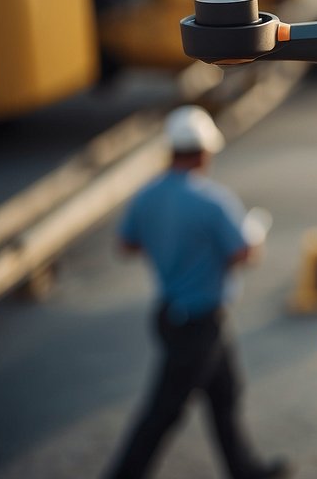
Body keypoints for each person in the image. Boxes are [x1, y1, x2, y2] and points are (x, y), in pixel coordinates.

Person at [104, 105, 288, 479]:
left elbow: (127, 246)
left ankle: (246, 470)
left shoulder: (148, 196)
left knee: (224, 395)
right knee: (163, 411)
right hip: (199, 322)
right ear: (204, 153)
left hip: (173, 314)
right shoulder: (212, 201)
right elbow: (244, 253)